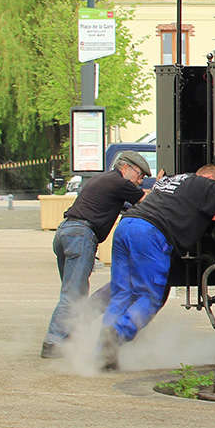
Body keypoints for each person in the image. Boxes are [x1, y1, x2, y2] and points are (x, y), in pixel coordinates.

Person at [97, 164, 215, 369]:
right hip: (150, 233)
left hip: (127, 225)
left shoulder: (173, 180)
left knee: (123, 291)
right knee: (150, 297)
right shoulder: (204, 183)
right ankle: (116, 337)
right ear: (213, 179)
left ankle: (102, 350)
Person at [41, 151, 151, 359]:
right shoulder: (119, 182)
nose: (139, 180)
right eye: (139, 175)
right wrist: (163, 186)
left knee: (74, 292)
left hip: (65, 232)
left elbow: (125, 205)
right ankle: (53, 343)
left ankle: (69, 337)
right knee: (73, 294)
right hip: (81, 235)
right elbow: (146, 200)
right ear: (125, 168)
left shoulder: (102, 180)